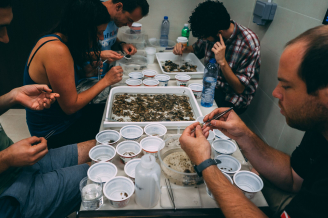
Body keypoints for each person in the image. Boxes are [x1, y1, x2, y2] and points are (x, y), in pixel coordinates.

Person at [179, 25, 328, 218]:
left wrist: (205, 163)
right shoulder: (321, 126)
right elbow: (293, 177)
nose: (275, 93)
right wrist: (244, 134)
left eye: (287, 86)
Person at [0, 1, 97, 217]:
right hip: (8, 193)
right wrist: (6, 158)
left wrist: (12, 96)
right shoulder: (56, 48)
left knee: (106, 148)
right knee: (108, 170)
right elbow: (71, 106)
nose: (6, 38)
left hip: (18, 167)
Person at [23, 0, 124, 148]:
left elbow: (60, 80)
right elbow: (70, 106)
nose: (101, 38)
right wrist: (106, 81)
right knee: (116, 135)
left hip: (66, 120)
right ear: (82, 29)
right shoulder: (56, 50)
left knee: (115, 111)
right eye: (98, 33)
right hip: (54, 132)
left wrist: (83, 72)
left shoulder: (58, 39)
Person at [173, 0, 260, 114]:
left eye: (205, 38)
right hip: (210, 85)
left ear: (219, 33)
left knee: (203, 119)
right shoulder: (210, 29)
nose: (203, 40)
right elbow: (197, 49)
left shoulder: (249, 44)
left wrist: (222, 62)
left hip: (232, 97)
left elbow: (239, 88)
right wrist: (183, 48)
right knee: (179, 102)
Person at [98, 0, 149, 73]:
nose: (130, 25)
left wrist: (122, 45)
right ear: (118, 7)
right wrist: (99, 55)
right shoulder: (90, 13)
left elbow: (106, 41)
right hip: (84, 79)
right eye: (129, 20)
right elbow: (76, 54)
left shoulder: (115, 18)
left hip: (102, 74)